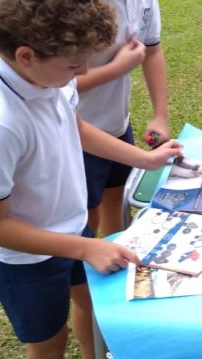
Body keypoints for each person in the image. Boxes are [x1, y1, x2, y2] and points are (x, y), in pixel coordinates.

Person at [0, 1, 182, 359]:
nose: (85, 71)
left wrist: (145, 159)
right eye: (74, 65)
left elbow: (77, 129)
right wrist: (83, 248)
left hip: (73, 228)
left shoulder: (45, 75)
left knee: (93, 308)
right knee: (49, 345)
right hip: (26, 258)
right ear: (26, 55)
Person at [77, 0, 169, 237]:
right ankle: (82, 272)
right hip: (77, 134)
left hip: (117, 123)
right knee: (86, 217)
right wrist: (116, 69)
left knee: (116, 200)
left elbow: (152, 50)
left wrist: (160, 115)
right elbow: (56, 83)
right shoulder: (71, 8)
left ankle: (114, 262)